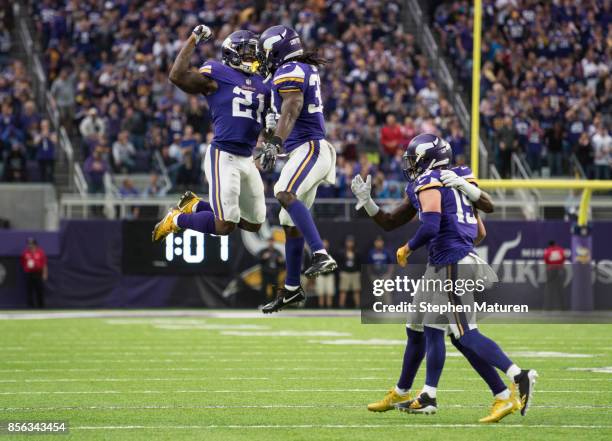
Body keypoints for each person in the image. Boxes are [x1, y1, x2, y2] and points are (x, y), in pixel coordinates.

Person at [352, 133, 537, 423]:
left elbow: (432, 225)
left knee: (464, 334)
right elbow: (480, 231)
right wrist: (367, 202)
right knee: (421, 327)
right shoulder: (456, 177)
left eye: (415, 159)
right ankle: (412, 392)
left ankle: (516, 376)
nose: (410, 165)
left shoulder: (430, 182)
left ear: (429, 159)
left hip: (451, 263)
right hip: (443, 262)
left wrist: (409, 247)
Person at [151, 26, 269, 243]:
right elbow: (177, 76)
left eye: (254, 51)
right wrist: (193, 39)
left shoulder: (263, 83)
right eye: (246, 51)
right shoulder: (218, 73)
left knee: (254, 223)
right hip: (224, 155)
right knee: (224, 225)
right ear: (232, 53)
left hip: (247, 157)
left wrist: (272, 142)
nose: (252, 56)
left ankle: (194, 205)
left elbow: (269, 122)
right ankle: (177, 220)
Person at [257, 25, 338, 313]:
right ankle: (292, 288)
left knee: (283, 191)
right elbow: (286, 111)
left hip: (311, 148)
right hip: (304, 149)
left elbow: (292, 106)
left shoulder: (290, 70)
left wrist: (274, 142)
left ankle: (320, 253)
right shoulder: (298, 68)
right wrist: (271, 135)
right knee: (287, 218)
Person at [20, 238, 48, 308]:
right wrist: (26, 269)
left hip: (38, 273)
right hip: (29, 273)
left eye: (31, 244)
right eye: (29, 244)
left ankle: (41, 306)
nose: (30, 245)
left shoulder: (40, 252)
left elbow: (44, 264)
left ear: (35, 244)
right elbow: (23, 262)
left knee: (39, 290)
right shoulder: (25, 253)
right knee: (29, 290)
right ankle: (30, 306)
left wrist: (44, 273)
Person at [338, 235, 361, 308]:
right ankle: (341, 305)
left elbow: (359, 263)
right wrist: (341, 272)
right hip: (345, 273)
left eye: (351, 242)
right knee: (343, 290)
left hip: (355, 273)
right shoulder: (342, 252)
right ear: (345, 243)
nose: (350, 244)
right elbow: (339, 263)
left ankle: (358, 305)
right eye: (348, 242)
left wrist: (358, 272)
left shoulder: (357, 252)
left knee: (356, 290)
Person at [258, 237, 284, 302]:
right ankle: (263, 303)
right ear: (267, 242)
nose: (271, 243)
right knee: (264, 288)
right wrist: (263, 258)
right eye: (269, 241)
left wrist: (280, 261)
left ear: (274, 242)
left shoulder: (277, 252)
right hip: (266, 273)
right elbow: (258, 260)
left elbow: (282, 263)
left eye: (272, 241)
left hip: (274, 273)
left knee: (275, 288)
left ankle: (273, 302)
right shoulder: (263, 251)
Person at [543, 240, 566, 310]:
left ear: (549, 245)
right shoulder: (560, 250)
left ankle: (547, 308)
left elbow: (546, 260)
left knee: (549, 289)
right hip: (559, 269)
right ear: (555, 244)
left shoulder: (548, 250)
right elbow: (563, 258)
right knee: (560, 289)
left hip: (551, 270)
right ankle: (563, 308)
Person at [314, 239, 335, 308]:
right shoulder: (317, 253)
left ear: (328, 244)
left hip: (329, 275)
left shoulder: (331, 253)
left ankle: (329, 307)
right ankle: (321, 307)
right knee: (321, 293)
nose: (324, 245)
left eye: (326, 243)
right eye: (323, 243)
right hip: (320, 275)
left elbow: (334, 264)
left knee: (329, 292)